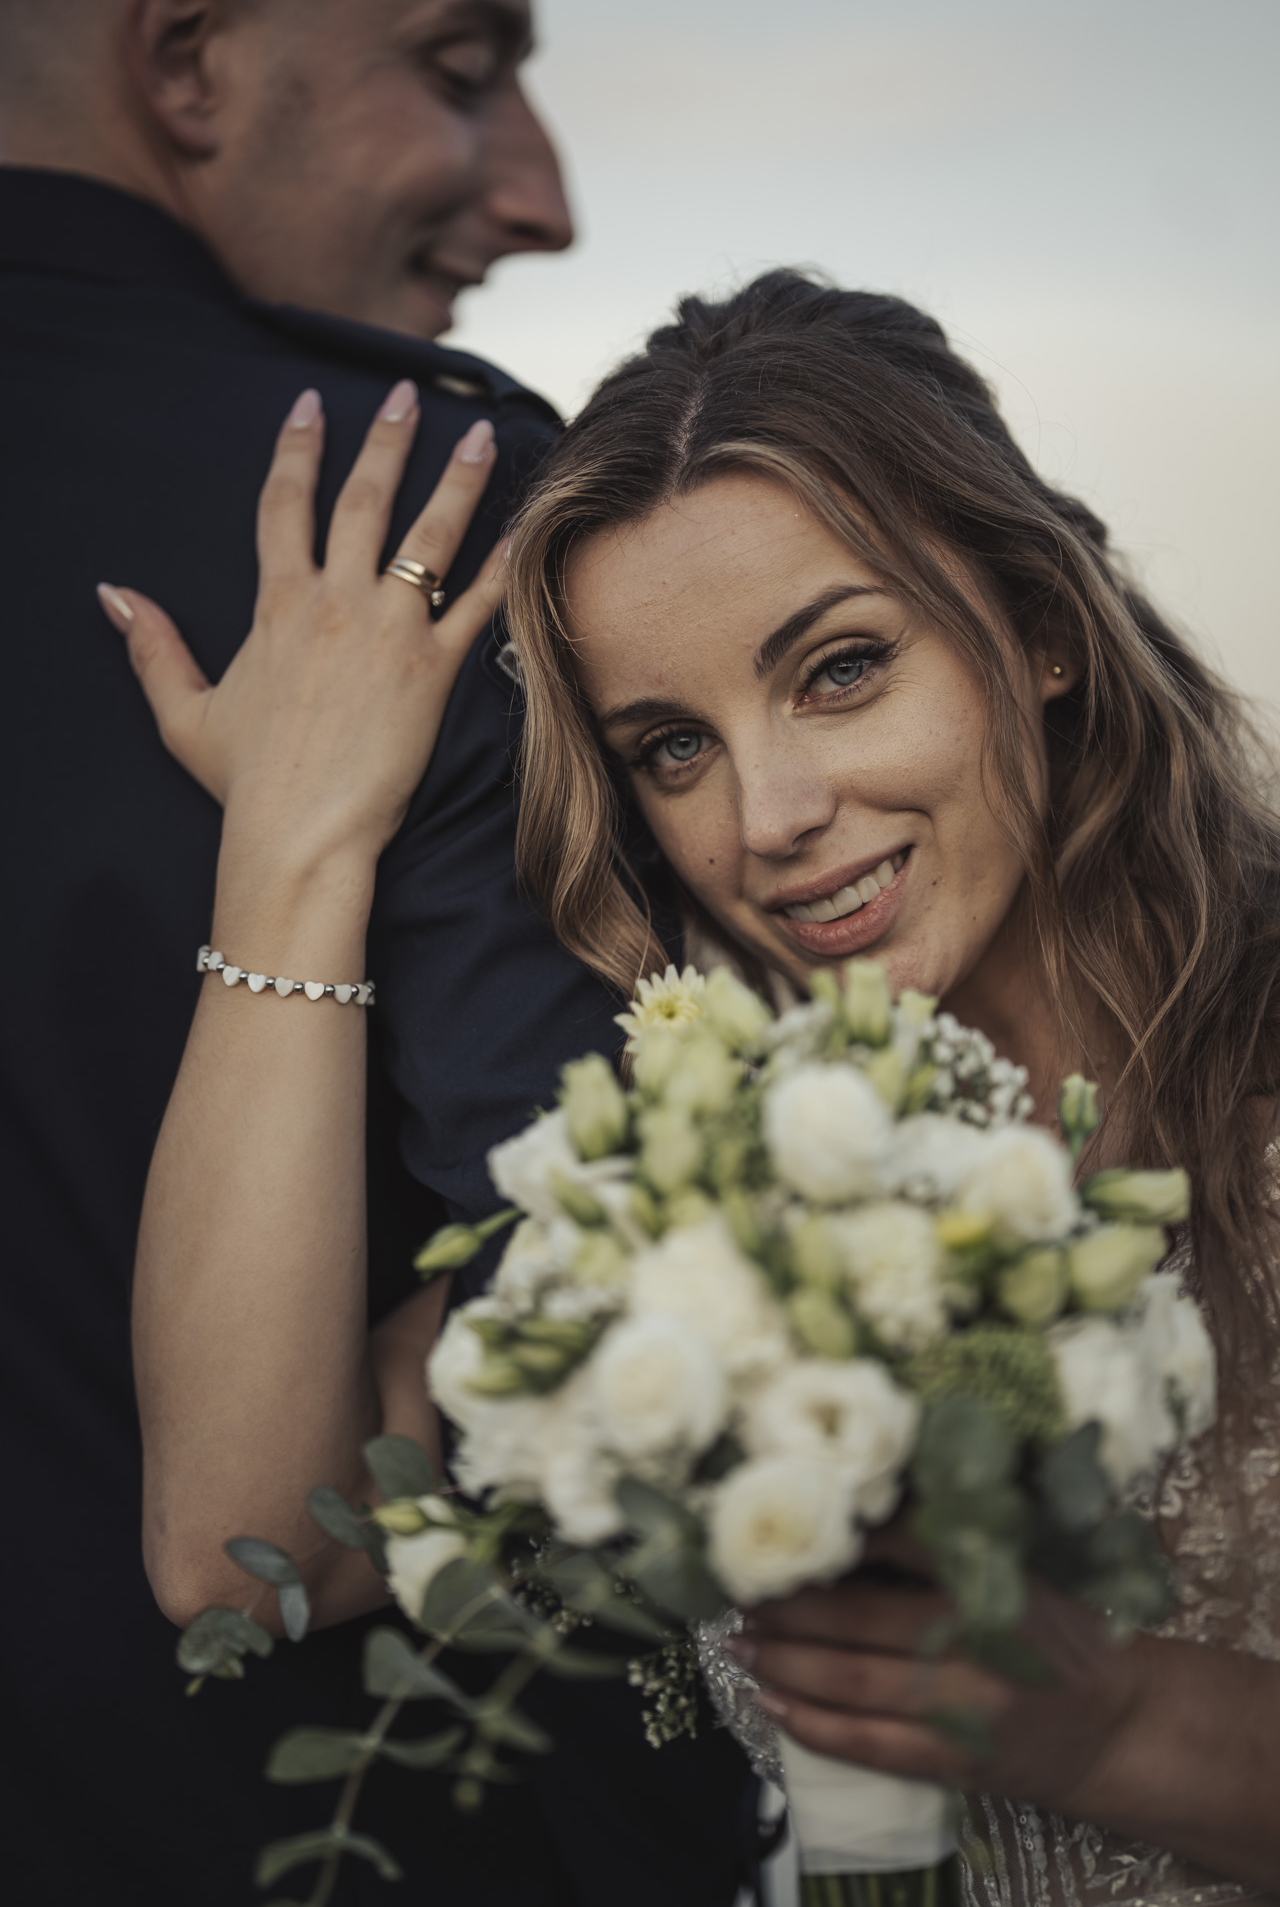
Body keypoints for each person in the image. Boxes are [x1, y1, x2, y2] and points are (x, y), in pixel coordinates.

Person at [115, 270, 1280, 1905]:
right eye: (672, 747)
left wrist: (1114, 1724)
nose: (767, 818)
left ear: (1040, 628)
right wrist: (300, 848)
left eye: (841, 669)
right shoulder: (731, 1191)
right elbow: (250, 1553)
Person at [0, 0, 751, 1902]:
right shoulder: (399, 518)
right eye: (460, 68)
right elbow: (596, 1312)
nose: (544, 196)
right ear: (187, 58)